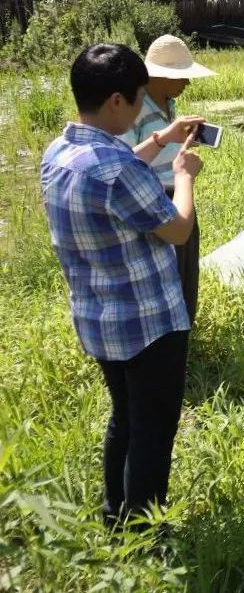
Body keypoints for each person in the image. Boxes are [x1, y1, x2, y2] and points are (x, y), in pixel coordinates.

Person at [40, 43, 204, 527]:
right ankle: (148, 535)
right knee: (154, 432)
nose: (139, 109)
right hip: (148, 324)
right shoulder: (118, 171)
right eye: (136, 98)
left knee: (125, 419)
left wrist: (158, 141)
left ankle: (116, 516)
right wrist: (183, 175)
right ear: (117, 101)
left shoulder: (62, 151)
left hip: (99, 320)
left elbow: (114, 169)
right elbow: (176, 229)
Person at [119, 34, 216, 326]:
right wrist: (163, 142)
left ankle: (186, 324)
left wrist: (182, 142)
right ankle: (170, 329)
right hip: (153, 198)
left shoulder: (167, 102)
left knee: (187, 263)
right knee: (166, 268)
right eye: (182, 77)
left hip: (179, 192)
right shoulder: (133, 110)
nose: (187, 83)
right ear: (160, 76)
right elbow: (121, 163)